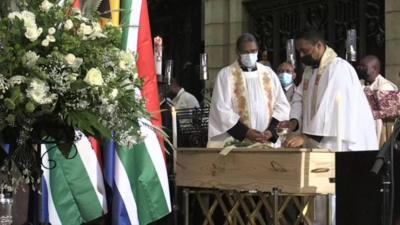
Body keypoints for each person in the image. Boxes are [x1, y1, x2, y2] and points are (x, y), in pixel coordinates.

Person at [280, 29, 378, 151]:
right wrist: (294, 121)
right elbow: (299, 98)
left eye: (304, 51)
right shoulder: (308, 72)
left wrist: (306, 136)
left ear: (319, 45)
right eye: (299, 52)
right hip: (318, 139)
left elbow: (332, 105)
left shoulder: (338, 68)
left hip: (339, 140)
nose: (301, 56)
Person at [207, 33, 290, 147]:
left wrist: (271, 131)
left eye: (253, 51)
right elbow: (220, 110)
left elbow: (282, 106)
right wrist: (245, 132)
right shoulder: (226, 75)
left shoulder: (269, 73)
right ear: (238, 52)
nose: (250, 55)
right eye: (245, 52)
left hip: (267, 141)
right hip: (238, 142)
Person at [358, 55, 398, 144]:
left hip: (379, 134)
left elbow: (389, 113)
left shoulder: (386, 86)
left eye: (363, 66)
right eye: (359, 66)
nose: (360, 68)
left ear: (374, 69)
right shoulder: (360, 85)